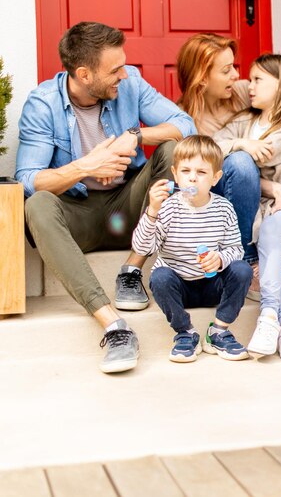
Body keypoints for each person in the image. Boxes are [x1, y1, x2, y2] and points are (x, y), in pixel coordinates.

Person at [16, 21, 196, 374]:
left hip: (126, 208)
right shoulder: (43, 104)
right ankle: (114, 326)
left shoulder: (130, 84)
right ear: (83, 74)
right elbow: (28, 179)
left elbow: (185, 124)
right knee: (36, 203)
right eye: (114, 70)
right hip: (77, 215)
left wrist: (136, 134)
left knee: (173, 149)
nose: (123, 75)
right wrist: (85, 167)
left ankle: (131, 270)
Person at [177, 33, 281, 303]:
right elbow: (234, 158)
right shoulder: (187, 121)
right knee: (241, 161)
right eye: (226, 70)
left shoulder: (248, 94)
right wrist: (244, 147)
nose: (239, 77)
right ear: (203, 77)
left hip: (279, 194)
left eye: (236, 68)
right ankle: (249, 262)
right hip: (234, 194)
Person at [214, 54, 281, 360]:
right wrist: (241, 144)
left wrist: (245, 146)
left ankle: (270, 314)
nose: (248, 87)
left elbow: (264, 156)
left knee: (270, 230)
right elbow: (212, 146)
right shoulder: (244, 121)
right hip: (254, 206)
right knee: (240, 164)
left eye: (257, 80)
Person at [131, 135, 252, 363]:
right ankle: (185, 332)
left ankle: (218, 330)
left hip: (212, 285)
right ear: (175, 174)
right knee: (159, 277)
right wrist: (152, 211)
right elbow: (142, 247)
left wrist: (220, 259)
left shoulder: (224, 209)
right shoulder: (166, 208)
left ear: (215, 178)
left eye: (201, 172)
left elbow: (236, 249)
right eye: (185, 171)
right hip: (179, 289)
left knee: (242, 269)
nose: (192, 178)